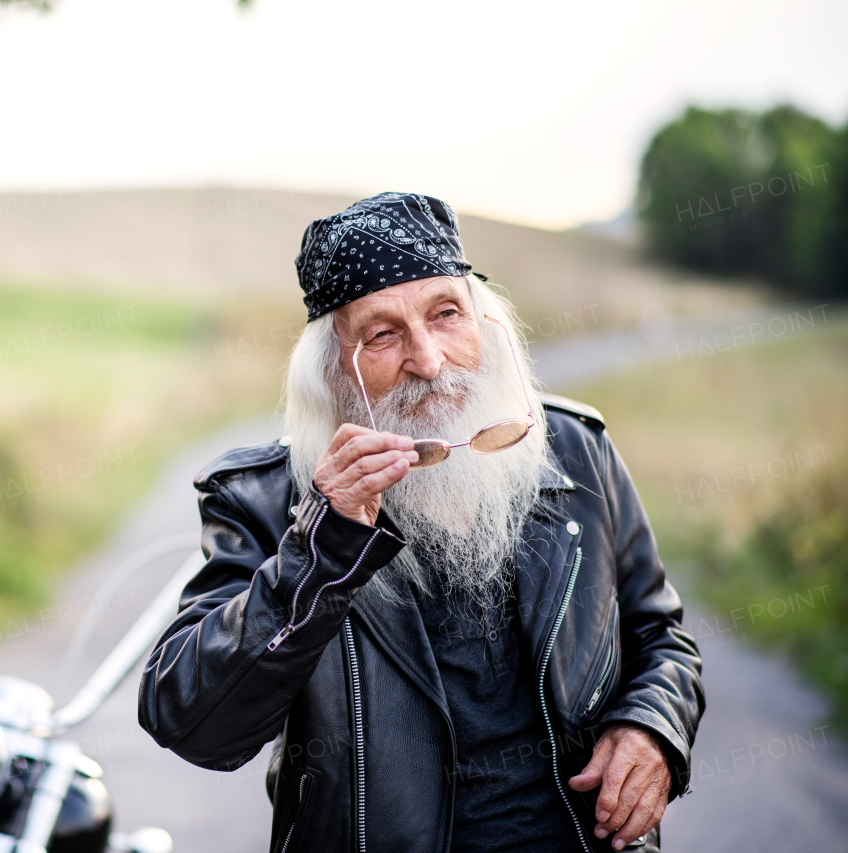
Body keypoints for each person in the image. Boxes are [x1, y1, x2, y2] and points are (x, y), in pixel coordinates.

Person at [137, 192, 704, 852]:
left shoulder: (575, 449)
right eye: (383, 334)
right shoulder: (267, 498)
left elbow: (658, 634)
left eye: (446, 315)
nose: (429, 360)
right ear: (332, 372)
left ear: (483, 325)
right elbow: (191, 720)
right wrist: (324, 545)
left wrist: (652, 725)